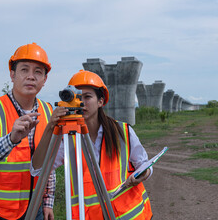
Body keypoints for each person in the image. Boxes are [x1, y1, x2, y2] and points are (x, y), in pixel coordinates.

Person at [31, 70, 153, 220]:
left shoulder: (122, 131)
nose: (81, 102)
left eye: (87, 97)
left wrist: (143, 174)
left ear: (100, 101)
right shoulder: (69, 139)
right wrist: (50, 127)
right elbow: (37, 169)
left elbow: (144, 165)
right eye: (77, 97)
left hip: (128, 215)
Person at [0, 43, 56, 220]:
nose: (31, 77)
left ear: (45, 80)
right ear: (12, 75)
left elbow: (48, 162)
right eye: (24, 70)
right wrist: (10, 139)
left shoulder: (48, 112)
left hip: (35, 208)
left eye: (38, 72)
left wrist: (47, 201)